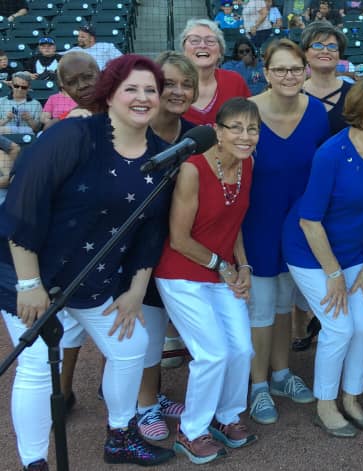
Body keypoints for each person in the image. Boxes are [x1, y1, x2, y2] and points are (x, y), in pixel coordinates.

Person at [0, 54, 176, 470]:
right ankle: (34, 462)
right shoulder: (74, 136)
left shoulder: (164, 155)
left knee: (130, 346)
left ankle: (120, 436)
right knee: (38, 366)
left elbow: (151, 231)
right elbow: (24, 204)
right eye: (131, 88)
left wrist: (135, 292)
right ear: (110, 93)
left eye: (150, 89)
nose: (142, 97)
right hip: (31, 273)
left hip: (94, 279)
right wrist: (29, 284)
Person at [282, 74, 363, 437]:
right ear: (358, 110)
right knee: (339, 328)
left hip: (355, 251)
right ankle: (325, 404)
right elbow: (309, 221)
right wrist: (334, 274)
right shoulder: (332, 153)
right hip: (309, 249)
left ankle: (352, 399)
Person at [154, 97, 259, 464]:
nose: (245, 137)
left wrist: (243, 267)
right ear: (217, 130)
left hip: (221, 270)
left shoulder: (248, 165)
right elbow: (179, 238)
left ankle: (228, 417)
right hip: (181, 272)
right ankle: (191, 431)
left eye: (252, 129)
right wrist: (223, 265)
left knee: (242, 348)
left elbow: (236, 224)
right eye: (236, 128)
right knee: (212, 353)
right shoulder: (193, 169)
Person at [244, 38, 330, 425]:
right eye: (279, 69)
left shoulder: (316, 112)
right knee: (261, 307)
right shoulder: (248, 113)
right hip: (257, 222)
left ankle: (281, 374)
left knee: (282, 302)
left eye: (295, 69)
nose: (288, 76)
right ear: (266, 73)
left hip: (298, 226)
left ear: (306, 71)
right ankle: (257, 384)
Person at [130, 51, 200, 443]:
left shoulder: (197, 133)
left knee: (161, 328)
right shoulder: (133, 132)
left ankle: (152, 393)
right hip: (138, 245)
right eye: (168, 83)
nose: (177, 91)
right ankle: (143, 406)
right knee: (146, 332)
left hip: (178, 244)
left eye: (185, 84)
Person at [179, 19, 252, 125]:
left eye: (210, 41)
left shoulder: (235, 82)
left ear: (220, 52)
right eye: (194, 40)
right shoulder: (170, 85)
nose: (203, 45)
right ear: (184, 50)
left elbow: (249, 122)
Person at [301, 21, 352, 135]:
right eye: (317, 45)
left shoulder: (356, 93)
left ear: (339, 55)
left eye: (332, 46)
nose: (325, 51)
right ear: (305, 54)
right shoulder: (293, 94)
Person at [40, 51, 99, 130]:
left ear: (100, 74)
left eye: (87, 77)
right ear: (63, 87)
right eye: (71, 82)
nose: (81, 86)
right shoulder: (57, 126)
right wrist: (67, 124)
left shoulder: (119, 107)